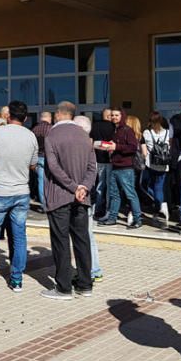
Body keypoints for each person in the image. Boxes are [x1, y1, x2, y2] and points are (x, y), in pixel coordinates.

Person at [0, 100, 38, 294]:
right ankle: (17, 280)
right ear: (26, 118)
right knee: (19, 237)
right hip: (21, 192)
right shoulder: (31, 136)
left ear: (7, 115)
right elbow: (33, 165)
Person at [42, 101, 96, 300]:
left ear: (58, 114)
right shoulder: (84, 135)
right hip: (82, 197)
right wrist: (83, 187)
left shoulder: (52, 136)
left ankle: (63, 287)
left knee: (61, 241)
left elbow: (53, 167)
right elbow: (93, 167)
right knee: (82, 239)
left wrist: (74, 187)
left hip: (60, 195)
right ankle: (85, 283)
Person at [97, 108, 141, 228]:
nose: (114, 117)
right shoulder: (115, 130)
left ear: (122, 116)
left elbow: (133, 147)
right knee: (114, 194)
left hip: (126, 168)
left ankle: (138, 219)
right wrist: (109, 146)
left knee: (130, 194)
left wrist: (116, 147)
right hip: (115, 166)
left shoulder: (127, 130)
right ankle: (112, 218)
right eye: (112, 115)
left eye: (117, 115)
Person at [73, 115, 103, 283]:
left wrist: (81, 189)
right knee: (88, 234)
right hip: (86, 195)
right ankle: (94, 268)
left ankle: (91, 269)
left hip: (82, 197)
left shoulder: (82, 147)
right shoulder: (88, 146)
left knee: (84, 235)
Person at [143, 111, 171, 225]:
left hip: (151, 164)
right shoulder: (168, 133)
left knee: (145, 185)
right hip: (164, 165)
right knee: (159, 186)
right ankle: (161, 204)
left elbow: (145, 151)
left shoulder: (147, 133)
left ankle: (160, 204)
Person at [89, 108, 115, 221]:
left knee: (99, 185)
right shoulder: (113, 127)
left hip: (97, 158)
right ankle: (108, 209)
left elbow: (90, 141)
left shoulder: (95, 126)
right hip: (109, 159)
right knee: (109, 186)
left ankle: (97, 209)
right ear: (109, 116)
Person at [31, 111, 53, 212]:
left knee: (41, 181)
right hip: (49, 157)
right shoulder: (52, 129)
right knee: (50, 181)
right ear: (49, 118)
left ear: (41, 118)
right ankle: (51, 203)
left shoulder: (35, 129)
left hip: (38, 157)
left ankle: (44, 205)